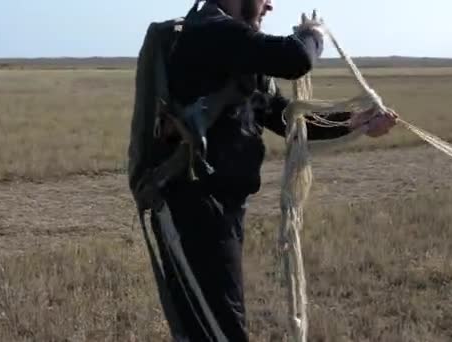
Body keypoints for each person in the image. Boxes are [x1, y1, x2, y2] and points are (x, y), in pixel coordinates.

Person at [148, 0, 398, 340]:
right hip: (193, 213)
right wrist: (314, 33)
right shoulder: (209, 32)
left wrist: (356, 123)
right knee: (218, 331)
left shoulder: (235, 52)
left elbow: (285, 118)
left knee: (217, 326)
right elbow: (296, 59)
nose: (269, 4)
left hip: (222, 212)